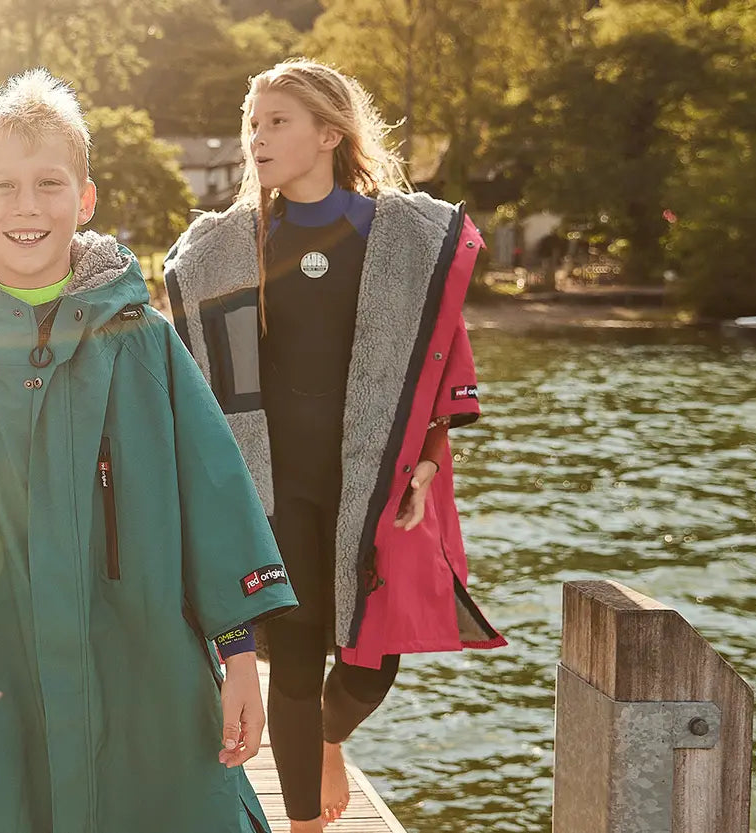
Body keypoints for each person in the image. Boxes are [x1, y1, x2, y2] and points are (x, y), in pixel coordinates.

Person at [0, 69, 298, 833]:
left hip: (140, 659)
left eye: (49, 184)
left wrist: (240, 655)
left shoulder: (144, 344)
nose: (27, 207)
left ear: (85, 200)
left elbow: (214, 496)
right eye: (3, 186)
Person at [164, 59, 507, 832]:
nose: (257, 138)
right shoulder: (230, 247)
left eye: (277, 121)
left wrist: (427, 455)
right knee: (292, 656)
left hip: (374, 481)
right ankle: (304, 825)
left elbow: (438, 350)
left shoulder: (402, 240)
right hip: (274, 486)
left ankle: (329, 734)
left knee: (368, 664)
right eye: (252, 123)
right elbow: (197, 374)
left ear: (329, 132)